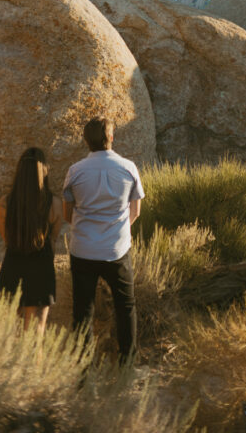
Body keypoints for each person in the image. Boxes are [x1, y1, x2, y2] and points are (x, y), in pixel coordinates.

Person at [62, 117, 144, 363]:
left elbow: (68, 213)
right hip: (116, 249)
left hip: (83, 249)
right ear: (111, 137)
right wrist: (118, 229)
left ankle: (84, 367)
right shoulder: (128, 168)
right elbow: (136, 211)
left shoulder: (75, 171)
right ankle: (127, 362)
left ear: (86, 141)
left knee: (82, 311)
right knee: (125, 306)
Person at [0, 147, 61, 334]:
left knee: (12, 332)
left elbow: (6, 238)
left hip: (12, 267)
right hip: (41, 270)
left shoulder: (5, 203)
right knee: (36, 332)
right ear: (45, 171)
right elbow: (53, 240)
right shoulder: (55, 204)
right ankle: (34, 365)